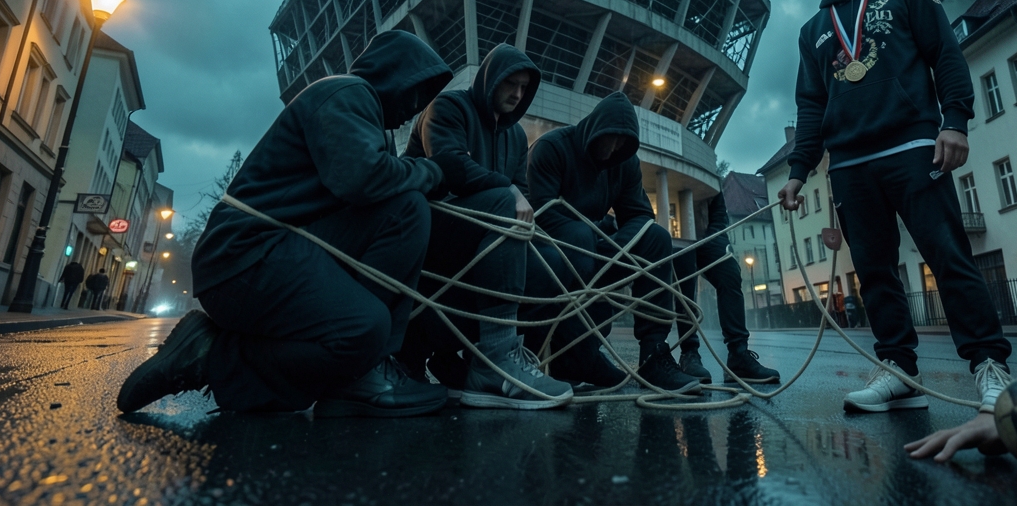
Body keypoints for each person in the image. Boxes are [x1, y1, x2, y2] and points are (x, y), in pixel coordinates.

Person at [117, 31, 462, 418]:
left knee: (407, 210)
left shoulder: (367, 117)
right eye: (416, 92)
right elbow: (362, 178)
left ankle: (365, 366)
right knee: (364, 327)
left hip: (270, 249)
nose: (416, 107)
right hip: (244, 257)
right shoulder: (349, 94)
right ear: (395, 75)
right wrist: (435, 171)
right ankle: (212, 355)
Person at [778, 0, 1012, 457]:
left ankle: (989, 366)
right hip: (850, 164)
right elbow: (810, 105)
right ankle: (899, 372)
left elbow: (945, 55)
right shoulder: (813, 30)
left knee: (948, 255)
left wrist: (955, 121)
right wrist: (798, 170)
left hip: (913, 146)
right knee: (875, 273)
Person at [400, 44, 573, 410]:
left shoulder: (517, 136)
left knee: (551, 261)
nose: (518, 93)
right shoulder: (447, 107)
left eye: (524, 87)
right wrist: (509, 191)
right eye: (510, 83)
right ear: (490, 79)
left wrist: (515, 197)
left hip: (483, 238)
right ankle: (497, 358)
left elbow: (523, 196)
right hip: (425, 234)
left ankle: (487, 362)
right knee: (503, 206)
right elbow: (451, 168)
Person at [527, 91, 699, 394]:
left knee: (656, 237)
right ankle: (577, 355)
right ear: (594, 129)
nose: (612, 149)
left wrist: (619, 245)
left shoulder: (625, 162)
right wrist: (592, 233)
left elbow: (639, 215)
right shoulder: (551, 148)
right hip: (550, 254)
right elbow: (540, 214)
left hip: (595, 248)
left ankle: (653, 355)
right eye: (609, 139)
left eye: (621, 143)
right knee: (580, 238)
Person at [672, 191, 780, 385]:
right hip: (675, 226)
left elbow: (715, 191)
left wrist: (716, 231)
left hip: (711, 226)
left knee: (729, 273)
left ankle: (738, 355)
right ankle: (689, 354)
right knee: (684, 280)